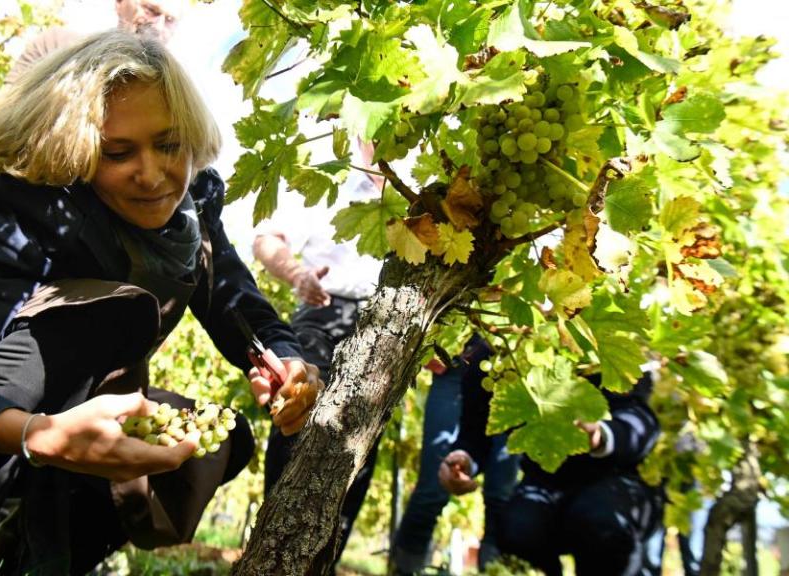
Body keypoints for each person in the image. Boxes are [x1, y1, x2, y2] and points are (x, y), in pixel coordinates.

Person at [0, 30, 319, 575]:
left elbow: (234, 296)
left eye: (170, 144)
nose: (154, 173)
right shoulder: (23, 208)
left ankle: (30, 557)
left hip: (86, 419)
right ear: (77, 151)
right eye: (118, 152)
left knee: (222, 442)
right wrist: (39, 435)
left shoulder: (193, 207)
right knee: (84, 325)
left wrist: (282, 359)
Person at [251, 141, 384, 561]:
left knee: (362, 443)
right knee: (300, 418)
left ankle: (324, 561)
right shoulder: (328, 171)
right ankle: (272, 554)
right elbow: (266, 238)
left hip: (386, 326)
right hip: (322, 310)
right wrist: (297, 274)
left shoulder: (422, 179)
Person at [439, 335, 663, 576]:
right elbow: (475, 431)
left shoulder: (599, 340)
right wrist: (464, 460)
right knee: (517, 529)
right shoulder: (495, 353)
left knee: (600, 522)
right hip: (543, 479)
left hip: (616, 477)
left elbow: (642, 420)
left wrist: (602, 436)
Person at [389, 354, 520, 575]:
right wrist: (430, 346)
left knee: (500, 495)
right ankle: (402, 570)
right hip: (456, 366)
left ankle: (495, 570)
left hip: (512, 371)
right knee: (433, 486)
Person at [7, 0, 186, 83]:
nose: (158, 25)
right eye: (151, 10)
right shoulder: (56, 44)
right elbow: (4, 113)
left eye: (169, 20)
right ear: (120, 3)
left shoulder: (170, 89)